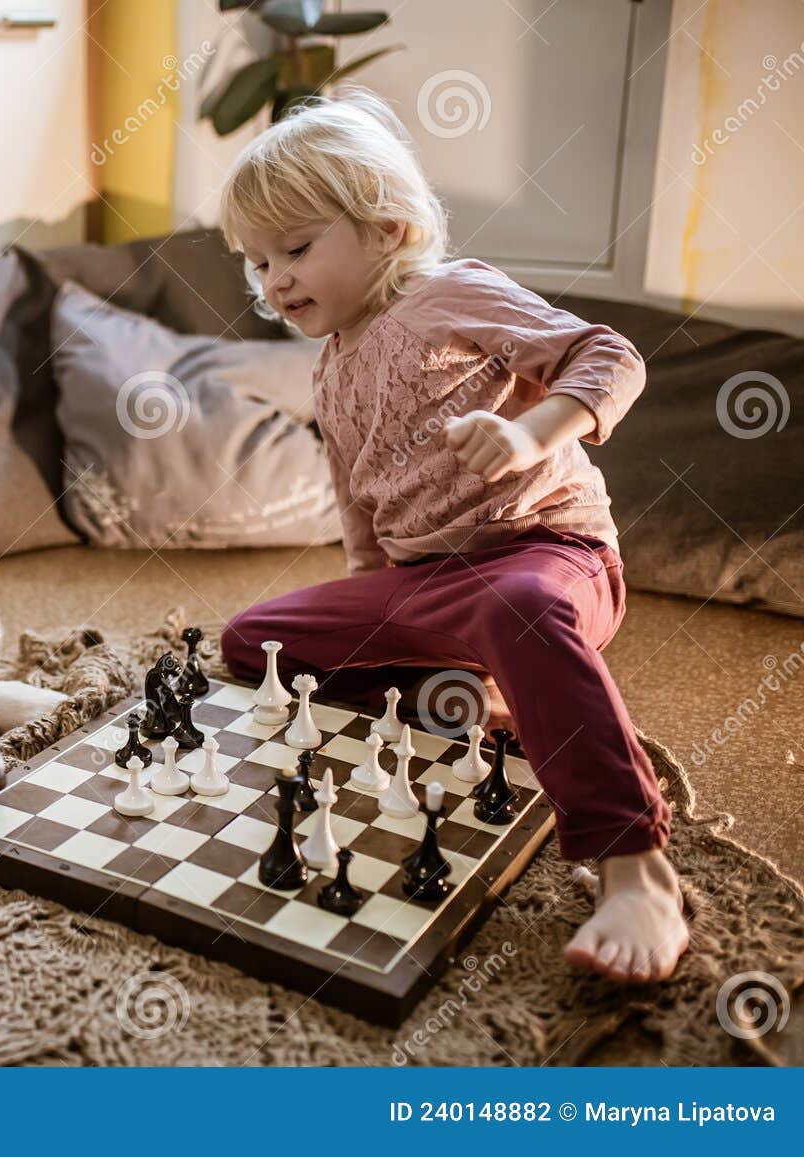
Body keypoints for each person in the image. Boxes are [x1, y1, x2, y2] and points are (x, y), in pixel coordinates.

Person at [216, 87, 686, 984]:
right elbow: (361, 509)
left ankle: (636, 869)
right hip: (428, 584)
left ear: (388, 228)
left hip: (545, 553)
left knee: (517, 606)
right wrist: (369, 612)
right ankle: (478, 688)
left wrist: (530, 433)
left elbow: (611, 357)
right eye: (255, 261)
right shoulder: (329, 370)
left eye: (297, 248)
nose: (272, 280)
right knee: (255, 639)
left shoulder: (452, 294)